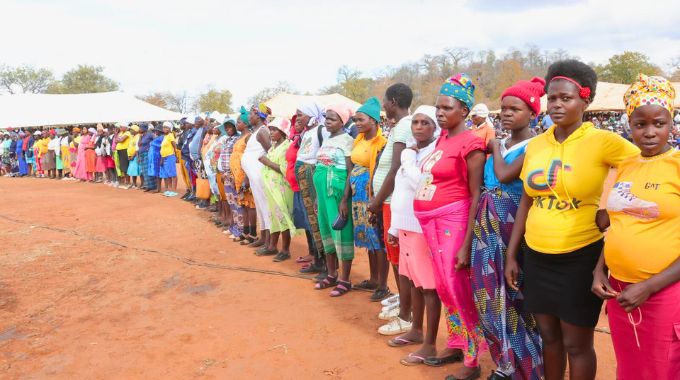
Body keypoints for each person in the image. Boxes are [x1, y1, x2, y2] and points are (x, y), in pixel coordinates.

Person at [504, 60, 639, 380]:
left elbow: (648, 167)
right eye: (552, 98)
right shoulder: (537, 144)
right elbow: (527, 198)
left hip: (580, 257)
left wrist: (613, 209)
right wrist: (513, 252)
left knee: (577, 344)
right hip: (536, 255)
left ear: (585, 100)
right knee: (549, 338)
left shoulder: (603, 141)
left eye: (566, 98)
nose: (557, 105)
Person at [592, 74, 680, 380]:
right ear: (630, 125)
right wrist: (599, 269)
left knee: (661, 369)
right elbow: (620, 222)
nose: (650, 132)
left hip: (663, 294)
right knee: (630, 369)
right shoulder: (627, 164)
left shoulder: (677, 165)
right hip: (620, 291)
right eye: (640, 124)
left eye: (659, 123)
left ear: (672, 122)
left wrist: (649, 287)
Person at [471, 78, 546, 380]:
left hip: (515, 231)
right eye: (503, 108)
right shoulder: (500, 144)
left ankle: (529, 368)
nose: (506, 113)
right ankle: (505, 364)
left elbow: (503, 175)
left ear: (532, 113)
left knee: (517, 297)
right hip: (487, 230)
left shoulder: (537, 145)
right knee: (489, 297)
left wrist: (493, 147)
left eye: (515, 108)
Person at [414, 73, 486, 380]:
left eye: (447, 108)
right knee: (444, 287)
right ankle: (456, 342)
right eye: (438, 107)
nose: (440, 113)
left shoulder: (472, 143)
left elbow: (476, 194)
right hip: (431, 223)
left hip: (454, 223)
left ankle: (473, 358)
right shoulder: (443, 138)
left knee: (458, 288)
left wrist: (468, 242)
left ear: (464, 112)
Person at [384, 105, 441, 365]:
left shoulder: (432, 154)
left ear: (435, 127)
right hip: (405, 226)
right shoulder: (414, 150)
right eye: (415, 122)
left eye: (425, 122)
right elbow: (400, 192)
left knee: (429, 287)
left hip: (421, 227)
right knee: (415, 282)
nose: (418, 127)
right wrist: (395, 227)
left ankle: (430, 343)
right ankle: (416, 329)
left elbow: (420, 185)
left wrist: (407, 158)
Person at [369, 83, 414, 332]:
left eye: (385, 101)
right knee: (396, 259)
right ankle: (403, 304)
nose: (383, 106)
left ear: (394, 101)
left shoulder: (404, 126)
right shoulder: (400, 126)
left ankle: (407, 316)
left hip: (392, 203)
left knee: (400, 261)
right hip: (390, 202)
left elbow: (396, 167)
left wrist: (376, 201)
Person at [313, 104, 356, 297]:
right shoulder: (327, 139)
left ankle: (345, 280)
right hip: (322, 194)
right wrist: (316, 198)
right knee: (326, 230)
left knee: (341, 231)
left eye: (332, 119)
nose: (327, 122)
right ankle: (331, 273)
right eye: (326, 118)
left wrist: (345, 199)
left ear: (342, 121)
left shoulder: (347, 140)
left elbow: (349, 171)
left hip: (337, 193)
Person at [350, 97, 389, 301]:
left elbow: (378, 173)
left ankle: (383, 284)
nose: (356, 123)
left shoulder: (381, 143)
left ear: (373, 120)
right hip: (358, 195)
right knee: (368, 238)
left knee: (378, 239)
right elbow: (352, 164)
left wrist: (374, 201)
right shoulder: (359, 139)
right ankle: (373, 278)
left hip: (371, 194)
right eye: (355, 120)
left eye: (360, 119)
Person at [294, 102, 333, 277]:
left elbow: (326, 155)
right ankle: (317, 260)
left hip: (312, 178)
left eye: (301, 114)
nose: (298, 117)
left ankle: (327, 264)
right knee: (310, 221)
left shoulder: (321, 130)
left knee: (317, 220)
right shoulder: (306, 133)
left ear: (310, 115)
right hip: (304, 179)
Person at [259, 117, 296, 261]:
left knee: (283, 217)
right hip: (271, 188)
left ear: (282, 131)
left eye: (274, 130)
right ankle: (272, 246)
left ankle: (285, 250)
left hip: (281, 188)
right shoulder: (274, 146)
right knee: (273, 217)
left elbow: (284, 169)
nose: (271, 133)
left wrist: (267, 162)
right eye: (270, 130)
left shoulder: (287, 147)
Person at [241, 103, 273, 249]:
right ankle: (263, 237)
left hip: (261, 175)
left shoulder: (262, 131)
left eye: (252, 114)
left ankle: (270, 242)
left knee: (266, 207)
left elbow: (270, 152)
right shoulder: (256, 132)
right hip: (254, 176)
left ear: (258, 116)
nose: (249, 116)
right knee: (260, 207)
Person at [230, 108, 257, 244]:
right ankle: (245, 232)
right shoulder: (240, 137)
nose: (236, 124)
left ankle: (252, 233)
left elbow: (250, 158)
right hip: (237, 176)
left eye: (239, 122)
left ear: (246, 124)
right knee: (243, 204)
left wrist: (246, 176)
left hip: (246, 175)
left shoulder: (249, 137)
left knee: (250, 205)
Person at [217, 119, 242, 238]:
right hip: (225, 174)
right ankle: (233, 227)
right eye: (225, 128)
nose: (227, 129)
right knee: (231, 202)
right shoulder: (227, 139)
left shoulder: (238, 139)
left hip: (234, 174)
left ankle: (240, 229)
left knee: (237, 203)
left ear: (234, 127)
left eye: (229, 127)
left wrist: (231, 173)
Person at [159, 121, 178, 197]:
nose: (164, 129)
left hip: (170, 156)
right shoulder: (165, 136)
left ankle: (174, 190)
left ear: (170, 129)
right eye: (164, 127)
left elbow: (174, 146)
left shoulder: (170, 135)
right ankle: (170, 190)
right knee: (168, 174)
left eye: (166, 127)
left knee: (173, 174)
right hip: (164, 157)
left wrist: (176, 155)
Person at [147, 126, 163, 193]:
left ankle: (158, 188)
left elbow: (160, 147)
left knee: (158, 173)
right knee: (156, 173)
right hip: (154, 157)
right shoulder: (157, 137)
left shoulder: (161, 138)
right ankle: (157, 188)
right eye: (155, 131)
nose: (155, 132)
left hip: (157, 157)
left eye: (157, 131)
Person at [138, 123, 154, 190]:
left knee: (147, 169)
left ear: (145, 128)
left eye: (141, 128)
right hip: (141, 154)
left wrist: (150, 148)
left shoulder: (150, 134)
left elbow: (155, 140)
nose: (139, 129)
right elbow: (139, 144)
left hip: (147, 154)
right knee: (143, 171)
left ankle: (151, 186)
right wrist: (140, 137)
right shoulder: (142, 135)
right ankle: (147, 185)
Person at [116, 123, 132, 189]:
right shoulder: (121, 133)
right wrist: (119, 140)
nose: (120, 127)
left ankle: (128, 182)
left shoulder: (128, 132)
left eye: (121, 126)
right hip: (120, 151)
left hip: (125, 151)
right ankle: (126, 182)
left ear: (125, 127)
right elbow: (116, 140)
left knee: (126, 167)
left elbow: (121, 140)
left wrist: (119, 140)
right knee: (122, 167)